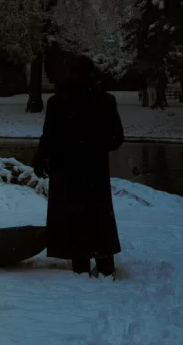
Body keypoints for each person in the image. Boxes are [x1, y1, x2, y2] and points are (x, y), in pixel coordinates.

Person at [32, 54, 125, 278]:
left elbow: (49, 136)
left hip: (67, 167)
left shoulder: (58, 102)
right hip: (94, 167)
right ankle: (104, 262)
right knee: (98, 213)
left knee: (74, 214)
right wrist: (95, 145)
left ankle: (80, 262)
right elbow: (116, 138)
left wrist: (43, 157)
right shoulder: (104, 100)